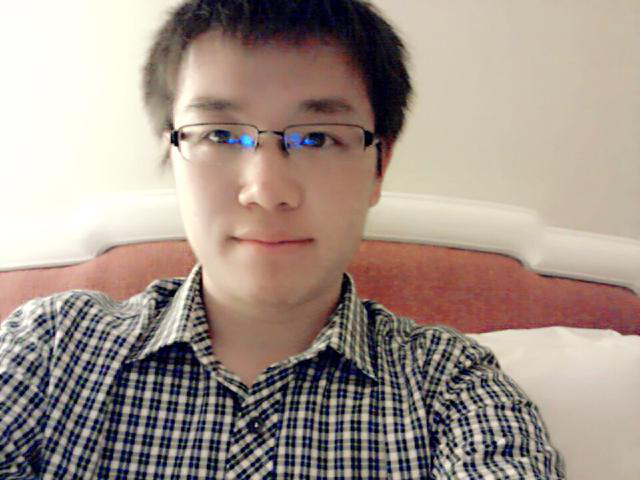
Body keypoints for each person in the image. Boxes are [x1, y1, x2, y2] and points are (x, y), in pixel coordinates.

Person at [0, 0, 565, 478]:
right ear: (172, 154)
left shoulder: (453, 388)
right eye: (220, 134)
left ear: (379, 166)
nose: (267, 191)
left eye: (317, 138)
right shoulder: (51, 350)